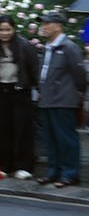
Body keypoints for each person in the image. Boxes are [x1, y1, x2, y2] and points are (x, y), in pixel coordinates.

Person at [36, 10, 85, 188]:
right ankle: (53, 171)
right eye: (43, 23)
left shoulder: (69, 47)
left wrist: (76, 95)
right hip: (47, 99)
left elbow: (79, 75)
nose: (44, 27)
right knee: (50, 138)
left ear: (58, 26)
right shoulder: (47, 46)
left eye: (47, 23)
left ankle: (70, 173)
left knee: (65, 138)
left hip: (64, 100)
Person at [0, 14, 38, 180]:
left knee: (23, 130)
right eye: (1, 30)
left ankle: (24, 166)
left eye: (8, 29)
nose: (4, 33)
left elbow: (33, 70)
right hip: (0, 91)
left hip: (20, 91)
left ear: (14, 29)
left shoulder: (24, 46)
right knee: (3, 131)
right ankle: (5, 165)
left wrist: (33, 87)